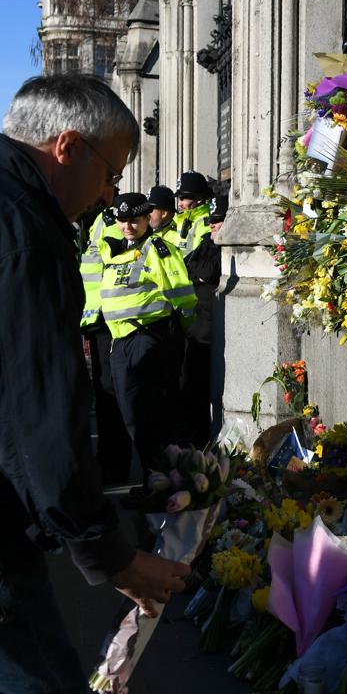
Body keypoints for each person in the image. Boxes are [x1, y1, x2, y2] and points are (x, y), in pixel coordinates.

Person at [0, 74, 188, 693]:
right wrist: (108, 553)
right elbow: (32, 408)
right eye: (111, 173)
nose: (109, 193)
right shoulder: (20, 227)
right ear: (67, 147)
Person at [100, 193, 197, 470]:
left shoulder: (158, 249)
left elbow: (183, 297)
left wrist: (175, 333)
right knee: (130, 414)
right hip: (119, 342)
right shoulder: (115, 251)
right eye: (122, 221)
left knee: (152, 414)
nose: (127, 226)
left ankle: (160, 479)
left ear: (146, 218)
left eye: (134, 220)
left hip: (148, 339)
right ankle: (153, 475)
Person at [79, 205, 133, 485]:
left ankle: (114, 465)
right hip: (96, 320)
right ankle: (108, 460)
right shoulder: (100, 219)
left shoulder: (113, 220)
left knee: (111, 394)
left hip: (109, 320)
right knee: (104, 394)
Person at [182, 195, 226, 445]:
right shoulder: (207, 242)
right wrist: (199, 276)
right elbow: (187, 266)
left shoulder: (222, 246)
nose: (212, 226)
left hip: (210, 328)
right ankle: (196, 443)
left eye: (217, 222)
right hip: (196, 327)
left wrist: (199, 275)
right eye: (211, 222)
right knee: (193, 387)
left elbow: (209, 271)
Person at [172, 170, 211, 257]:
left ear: (199, 199)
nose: (179, 204)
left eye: (183, 198)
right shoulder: (181, 218)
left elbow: (199, 259)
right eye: (179, 199)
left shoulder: (205, 223)